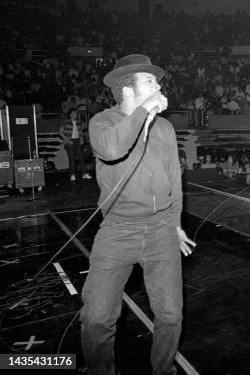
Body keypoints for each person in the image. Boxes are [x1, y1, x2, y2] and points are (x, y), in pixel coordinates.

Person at [80, 54, 196, 375]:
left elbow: (175, 179)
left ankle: (163, 370)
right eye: (149, 81)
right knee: (97, 317)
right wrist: (145, 111)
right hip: (118, 230)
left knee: (171, 314)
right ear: (127, 89)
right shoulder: (102, 122)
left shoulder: (166, 128)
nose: (158, 85)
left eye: (157, 81)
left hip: (161, 229)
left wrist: (176, 224)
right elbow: (114, 149)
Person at [59, 109, 92, 181]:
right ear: (70, 114)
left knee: (81, 158)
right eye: (74, 113)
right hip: (70, 141)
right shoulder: (66, 122)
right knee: (72, 159)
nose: (75, 114)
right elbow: (60, 132)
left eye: (76, 113)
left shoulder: (78, 122)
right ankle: (72, 175)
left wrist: (82, 139)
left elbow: (80, 132)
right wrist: (67, 140)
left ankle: (84, 173)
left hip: (77, 141)